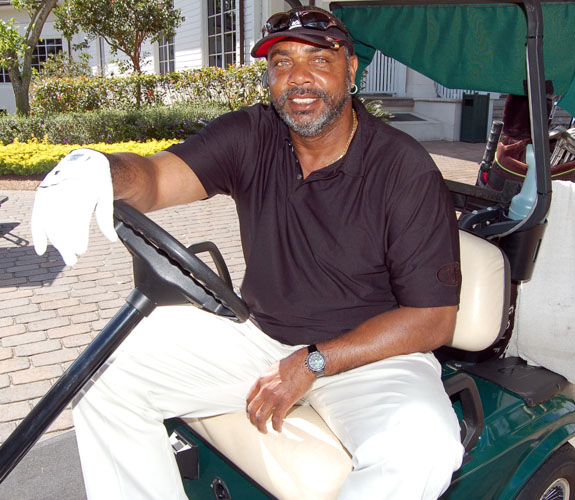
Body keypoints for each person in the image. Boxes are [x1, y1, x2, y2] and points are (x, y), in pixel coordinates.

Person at [31, 6, 464, 499]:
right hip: (261, 339)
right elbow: (154, 179)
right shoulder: (251, 135)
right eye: (281, 63)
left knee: (423, 447)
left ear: (351, 69)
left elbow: (432, 319)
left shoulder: (404, 169)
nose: (298, 78)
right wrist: (103, 171)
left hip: (371, 357)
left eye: (318, 60)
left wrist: (313, 362)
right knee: (99, 377)